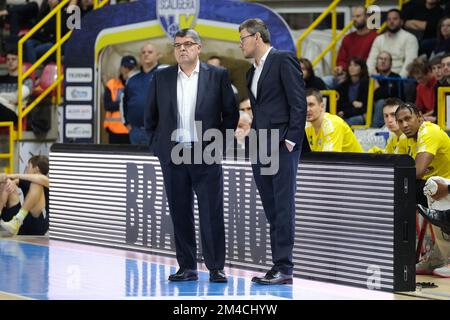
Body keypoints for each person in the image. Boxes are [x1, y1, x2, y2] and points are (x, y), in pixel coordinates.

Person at [144, 29, 239, 283]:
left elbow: (230, 115)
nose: (182, 49)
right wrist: (158, 148)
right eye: (177, 45)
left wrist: (218, 146)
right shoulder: (161, 77)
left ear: (199, 48)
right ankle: (187, 267)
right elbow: (150, 118)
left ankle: (216, 267)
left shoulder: (217, 75)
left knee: (211, 212)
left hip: (205, 153)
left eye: (187, 44)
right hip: (173, 154)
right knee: (179, 212)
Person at [239, 18, 308, 285]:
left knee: (283, 206)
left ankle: (285, 267)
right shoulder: (250, 72)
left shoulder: (282, 59)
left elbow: (298, 102)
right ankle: (278, 265)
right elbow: (260, 111)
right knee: (271, 208)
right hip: (259, 145)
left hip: (282, 144)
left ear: (257, 37)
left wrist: (291, 139)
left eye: (243, 38)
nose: (241, 44)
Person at [395, 102, 450, 207]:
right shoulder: (403, 138)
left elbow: (418, 172)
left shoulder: (429, 131)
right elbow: (394, 169)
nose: (404, 125)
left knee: (406, 187)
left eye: (408, 119)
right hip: (429, 186)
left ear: (419, 116)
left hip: (446, 186)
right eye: (400, 121)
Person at [324, 5, 378, 89]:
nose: (355, 19)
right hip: (347, 75)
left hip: (365, 76)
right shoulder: (347, 38)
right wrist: (340, 68)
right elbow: (341, 59)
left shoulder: (375, 37)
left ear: (367, 17)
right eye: (353, 16)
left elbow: (373, 61)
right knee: (324, 81)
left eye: (358, 16)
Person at [123, 43, 164, 145]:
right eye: (143, 52)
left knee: (157, 160)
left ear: (157, 55)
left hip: (158, 131)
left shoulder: (165, 74)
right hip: (136, 131)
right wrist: (127, 123)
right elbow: (123, 102)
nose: (146, 54)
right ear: (140, 56)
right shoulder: (132, 78)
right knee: (137, 160)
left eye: (150, 52)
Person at [0, 155, 49, 236]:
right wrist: (8, 180)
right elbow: (5, 178)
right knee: (7, 183)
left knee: (36, 184)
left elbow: (42, 179)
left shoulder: (46, 181)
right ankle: (11, 220)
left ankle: (18, 219)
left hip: (37, 225)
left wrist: (15, 175)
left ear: (36, 169)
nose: (27, 169)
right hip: (22, 224)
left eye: (28, 167)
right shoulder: (26, 180)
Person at [305, 88, 363, 152]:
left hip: (355, 161)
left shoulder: (332, 125)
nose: (307, 109)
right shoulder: (307, 126)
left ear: (321, 106)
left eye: (311, 105)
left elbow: (328, 159)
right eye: (304, 105)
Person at [367, 9, 419, 79]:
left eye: (395, 19)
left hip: (400, 78)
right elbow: (371, 61)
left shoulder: (410, 38)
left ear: (401, 22)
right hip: (379, 77)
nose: (391, 21)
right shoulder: (379, 39)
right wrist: (372, 76)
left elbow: (410, 62)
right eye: (389, 19)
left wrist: (399, 79)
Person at [0, 48, 33, 125]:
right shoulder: (1, 79)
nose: (10, 62)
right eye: (8, 59)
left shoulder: (27, 80)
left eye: (13, 59)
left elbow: (15, 97)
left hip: (13, 114)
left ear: (19, 61)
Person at [371, 51, 402, 128]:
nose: (382, 61)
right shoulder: (371, 78)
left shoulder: (396, 77)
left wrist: (376, 83)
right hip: (374, 109)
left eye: (385, 59)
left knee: (381, 102)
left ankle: (373, 129)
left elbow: (388, 96)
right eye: (380, 59)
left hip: (393, 106)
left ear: (391, 64)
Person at [336, 57, 369, 126]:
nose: (352, 68)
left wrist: (345, 112)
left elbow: (364, 107)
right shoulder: (343, 85)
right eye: (350, 65)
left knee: (346, 124)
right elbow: (340, 105)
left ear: (361, 68)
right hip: (346, 115)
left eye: (355, 65)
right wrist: (352, 104)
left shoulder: (367, 84)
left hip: (359, 115)